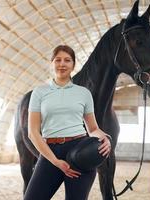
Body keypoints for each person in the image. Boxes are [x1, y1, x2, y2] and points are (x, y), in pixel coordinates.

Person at [24, 45, 111, 200]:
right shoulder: (39, 92)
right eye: (58, 60)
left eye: (67, 60)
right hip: (50, 151)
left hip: (80, 152)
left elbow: (93, 128)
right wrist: (56, 162)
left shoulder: (84, 93)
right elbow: (32, 132)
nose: (62, 64)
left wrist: (105, 138)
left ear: (73, 65)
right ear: (52, 63)